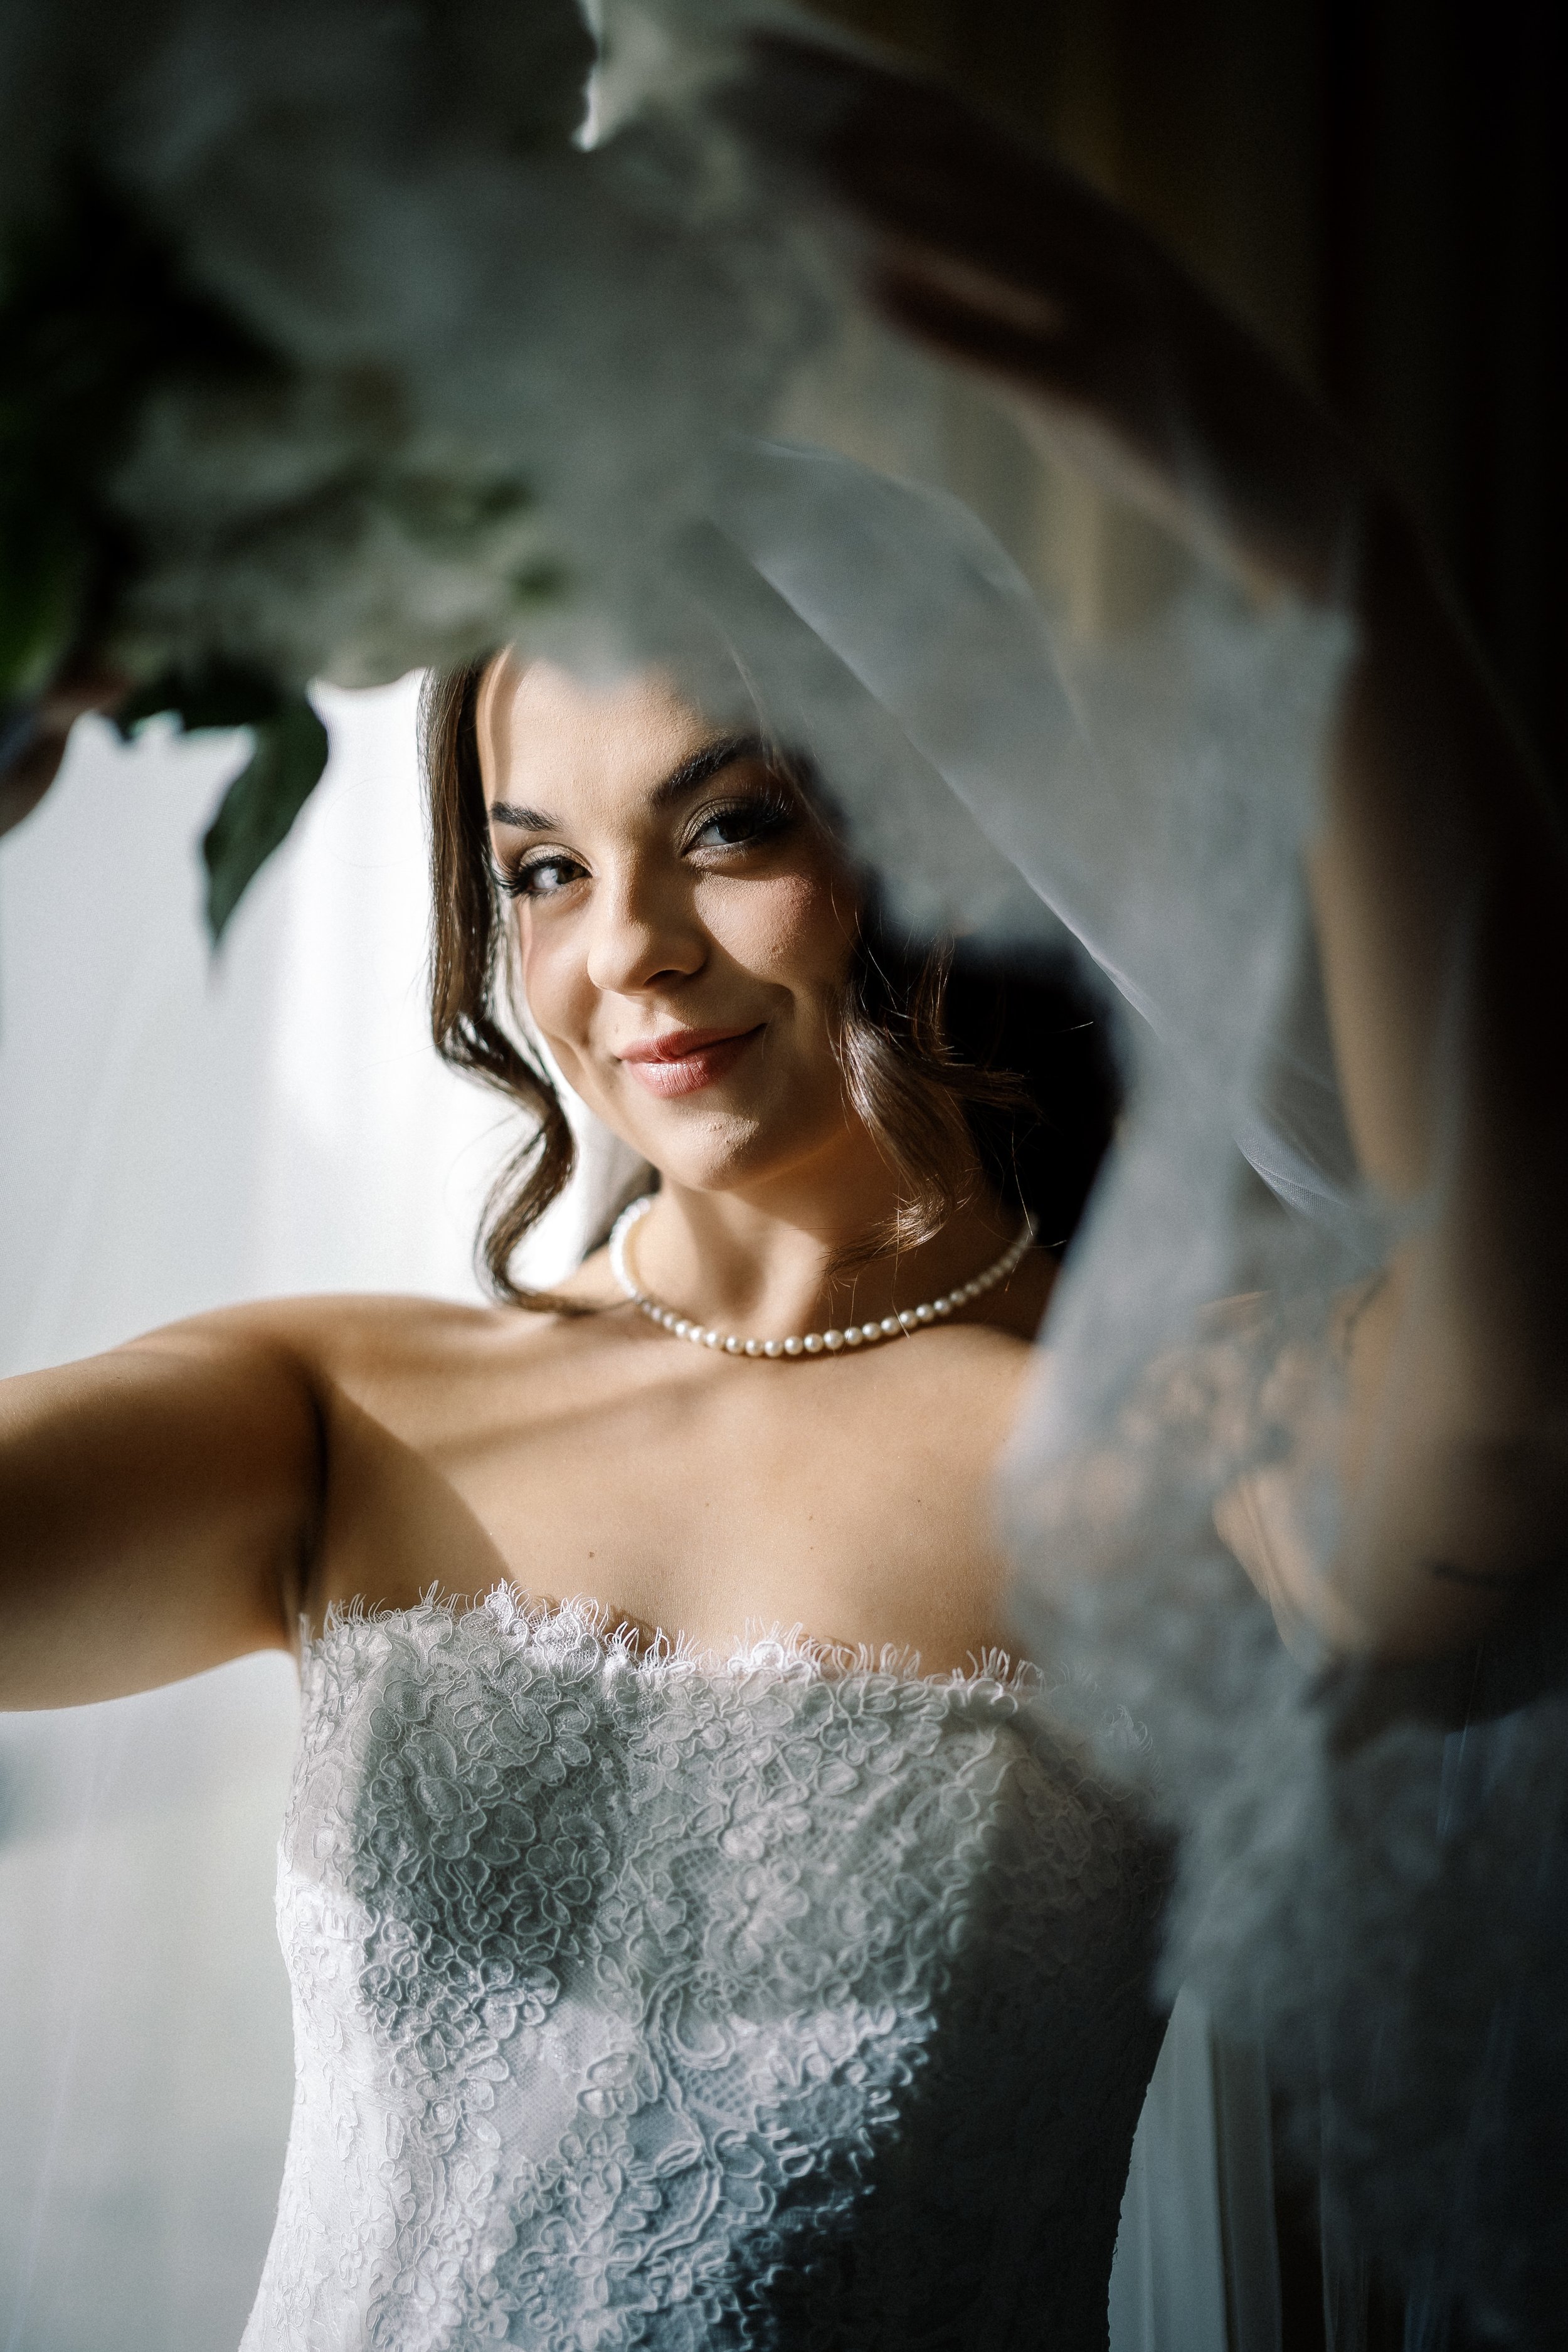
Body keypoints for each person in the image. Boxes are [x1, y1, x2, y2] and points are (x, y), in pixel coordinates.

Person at [4, 40, 1565, 2351]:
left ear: (938, 841)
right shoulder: (339, 1410)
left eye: (728, 825)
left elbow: (1510, 1389)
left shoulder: (1167, 1432)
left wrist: (1315, 542)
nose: (622, 946)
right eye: (542, 866)